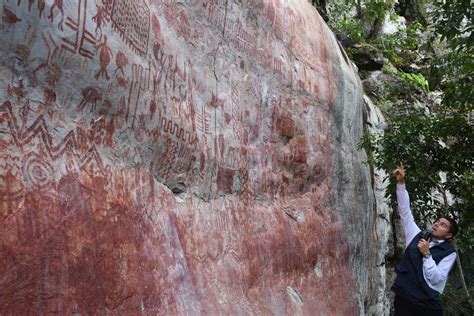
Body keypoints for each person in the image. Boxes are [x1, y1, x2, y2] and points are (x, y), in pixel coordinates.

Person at [391, 162, 458, 316]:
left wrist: (427, 254)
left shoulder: (450, 253)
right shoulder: (416, 234)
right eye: (437, 221)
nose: (436, 224)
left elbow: (436, 278)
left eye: (443, 225)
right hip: (404, 299)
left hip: (426, 306)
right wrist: (401, 183)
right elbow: (405, 212)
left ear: (449, 235)